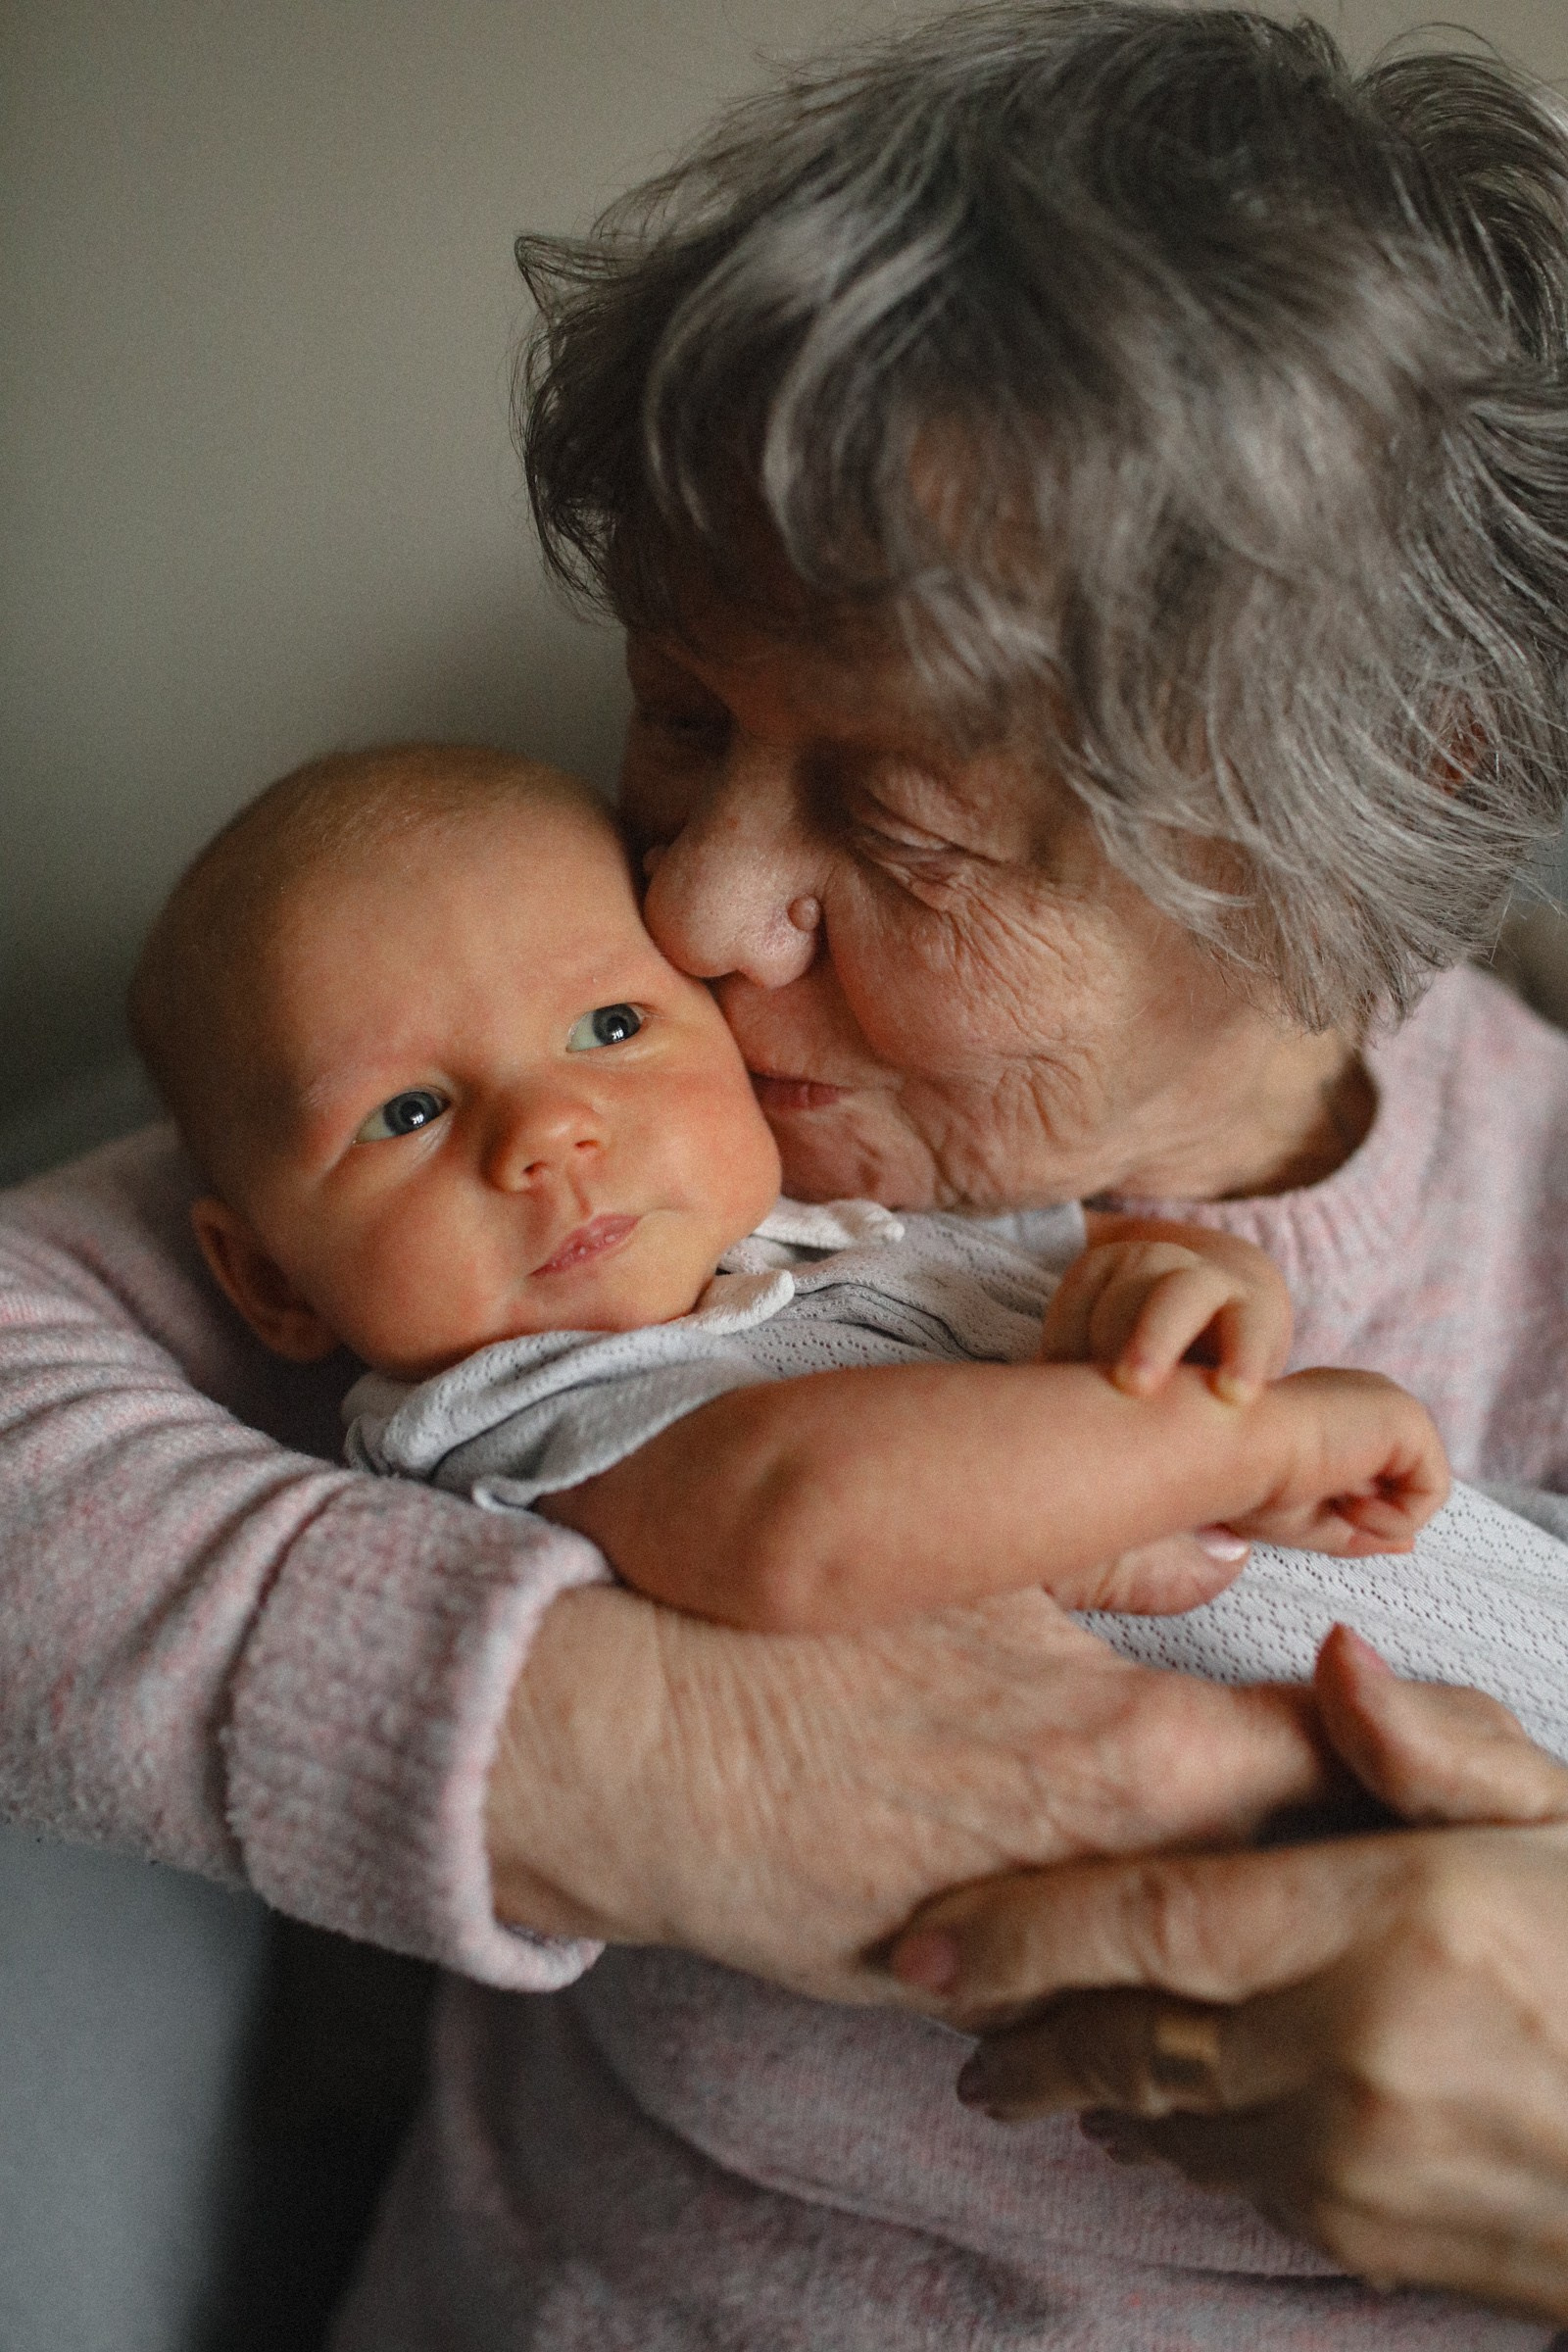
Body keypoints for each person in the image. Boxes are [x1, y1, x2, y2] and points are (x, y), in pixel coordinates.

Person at [5, 3, 1568, 2340]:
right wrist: (612, 1748)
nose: (701, 918)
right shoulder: (576, 1107)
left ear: (1346, 815)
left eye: (901, 824)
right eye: (677, 713)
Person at [128, 738, 1447, 1632]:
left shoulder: (869, 1217)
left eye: (609, 1030)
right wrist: (1244, 1445)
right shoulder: (514, 1414)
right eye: (406, 1112)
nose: (550, 1132)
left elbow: (1099, 1290)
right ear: (266, 1277)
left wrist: (1185, 1288)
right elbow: (796, 1517)